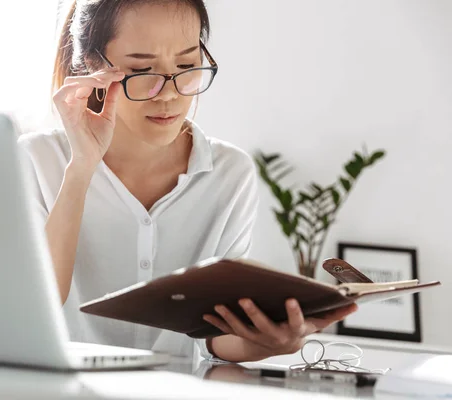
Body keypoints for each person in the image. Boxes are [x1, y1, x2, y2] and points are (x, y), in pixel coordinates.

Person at [18, 0, 357, 362]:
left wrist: (268, 341)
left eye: (185, 65)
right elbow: (34, 307)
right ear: (93, 66)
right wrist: (81, 167)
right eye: (142, 68)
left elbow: (212, 333)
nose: (170, 93)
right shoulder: (38, 161)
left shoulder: (229, 173)